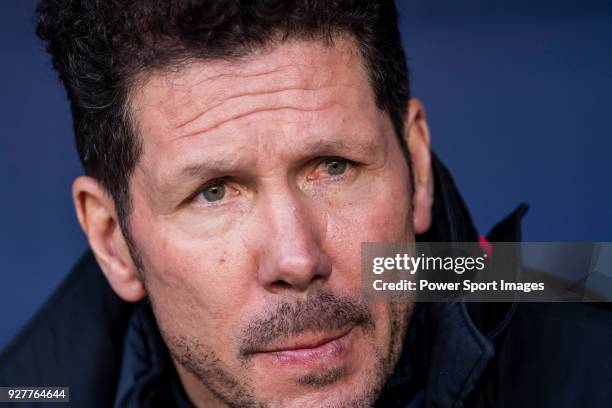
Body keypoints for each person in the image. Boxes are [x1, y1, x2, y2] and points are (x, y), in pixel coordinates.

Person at [0, 1, 611, 407]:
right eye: (213, 192)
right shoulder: (30, 394)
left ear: (416, 166)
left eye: (334, 167)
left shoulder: (590, 336)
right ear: (112, 241)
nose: (297, 258)